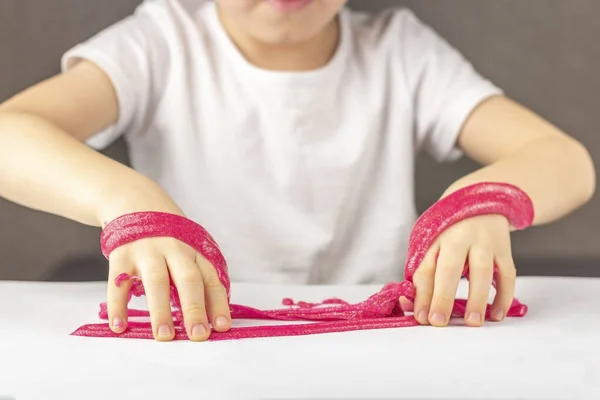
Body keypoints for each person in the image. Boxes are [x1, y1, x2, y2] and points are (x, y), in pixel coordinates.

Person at [0, 0, 595, 342]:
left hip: (378, 345)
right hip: (201, 346)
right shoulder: (160, 41)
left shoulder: (400, 51)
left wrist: (481, 199)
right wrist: (125, 198)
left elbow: (565, 159)